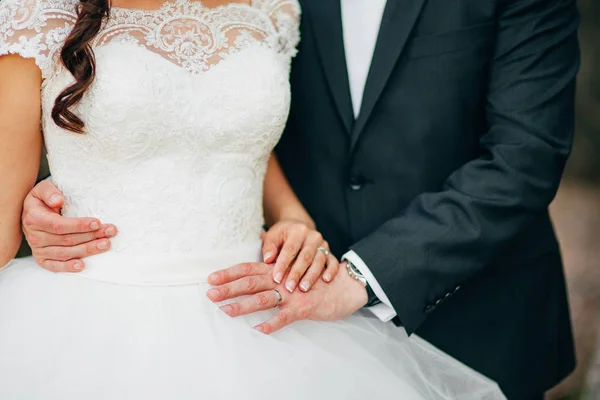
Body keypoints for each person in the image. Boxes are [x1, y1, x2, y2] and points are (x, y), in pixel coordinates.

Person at [0, 0, 504, 399]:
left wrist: (293, 216)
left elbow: (232, 138)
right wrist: (24, 213)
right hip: (94, 315)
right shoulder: (35, 14)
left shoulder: (273, 8)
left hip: (258, 308)